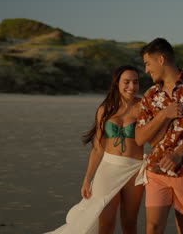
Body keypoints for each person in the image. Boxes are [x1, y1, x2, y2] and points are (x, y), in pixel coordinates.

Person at [46, 65, 148, 234]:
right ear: (116, 83)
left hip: (134, 169)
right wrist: (87, 179)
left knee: (129, 222)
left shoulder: (143, 106)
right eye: (127, 82)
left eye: (136, 82)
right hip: (108, 168)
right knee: (105, 223)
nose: (132, 86)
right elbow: (98, 149)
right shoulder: (105, 109)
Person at [135, 38, 183, 234]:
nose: (146, 70)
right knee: (152, 228)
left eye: (147, 64)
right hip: (156, 170)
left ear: (161, 60)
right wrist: (164, 114)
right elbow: (140, 138)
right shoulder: (150, 95)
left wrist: (179, 153)